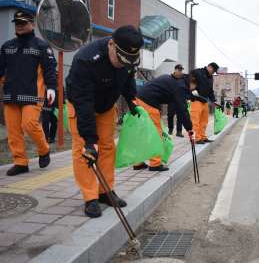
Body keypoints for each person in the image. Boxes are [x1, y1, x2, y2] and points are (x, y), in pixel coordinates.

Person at [65, 25, 142, 218]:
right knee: (85, 150)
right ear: (110, 45)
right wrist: (90, 138)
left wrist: (131, 98)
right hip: (82, 105)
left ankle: (105, 191)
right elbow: (83, 101)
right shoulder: (86, 60)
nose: (123, 64)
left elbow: (129, 77)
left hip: (107, 106)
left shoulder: (127, 59)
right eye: (121, 60)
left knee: (107, 147)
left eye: (128, 62)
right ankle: (90, 197)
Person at [0, 10, 57, 176]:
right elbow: (1, 69)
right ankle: (20, 162)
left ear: (32, 25)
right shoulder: (7, 46)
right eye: (17, 23)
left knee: (29, 125)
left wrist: (51, 87)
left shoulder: (42, 46)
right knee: (13, 131)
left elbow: (49, 69)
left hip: (32, 94)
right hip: (10, 94)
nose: (19, 25)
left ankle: (44, 148)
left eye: (23, 22)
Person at [133, 73, 199, 171]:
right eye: (194, 87)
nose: (192, 89)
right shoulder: (181, 86)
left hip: (140, 97)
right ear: (192, 83)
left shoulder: (176, 80)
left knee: (144, 131)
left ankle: (138, 162)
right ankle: (155, 163)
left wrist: (157, 108)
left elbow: (158, 90)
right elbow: (182, 109)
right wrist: (189, 128)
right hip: (148, 100)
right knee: (156, 133)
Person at [188, 62, 220, 145]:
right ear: (209, 67)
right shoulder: (198, 72)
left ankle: (203, 136)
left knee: (204, 121)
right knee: (196, 121)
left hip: (204, 101)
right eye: (213, 70)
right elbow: (188, 79)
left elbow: (210, 91)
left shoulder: (210, 78)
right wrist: (192, 90)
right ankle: (196, 138)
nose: (213, 72)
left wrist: (214, 101)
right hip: (196, 100)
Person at [42, 72, 66, 143]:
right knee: (45, 122)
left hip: (56, 108)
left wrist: (64, 102)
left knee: (54, 123)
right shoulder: (45, 85)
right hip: (46, 107)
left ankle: (52, 138)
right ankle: (46, 138)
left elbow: (63, 95)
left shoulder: (60, 85)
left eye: (56, 77)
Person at [167, 64, 184, 137]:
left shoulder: (182, 78)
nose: (180, 71)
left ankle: (179, 131)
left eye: (181, 70)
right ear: (175, 70)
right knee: (170, 115)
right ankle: (170, 129)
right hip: (171, 100)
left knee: (180, 116)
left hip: (180, 100)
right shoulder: (170, 78)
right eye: (179, 70)